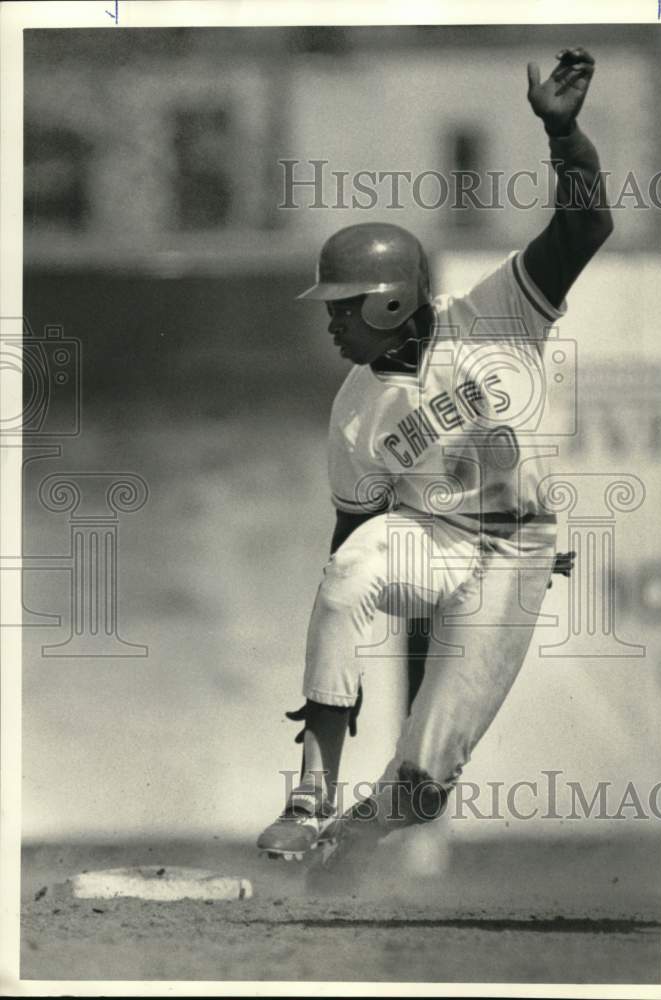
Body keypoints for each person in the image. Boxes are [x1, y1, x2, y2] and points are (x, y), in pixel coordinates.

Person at [256, 47, 611, 877]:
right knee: (347, 574)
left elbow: (585, 226)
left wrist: (564, 138)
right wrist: (339, 654)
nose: (332, 323)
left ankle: (358, 833)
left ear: (389, 299)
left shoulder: (492, 312)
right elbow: (352, 539)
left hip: (514, 554)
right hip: (433, 539)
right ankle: (310, 792)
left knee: (423, 787)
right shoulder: (354, 406)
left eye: (344, 306)